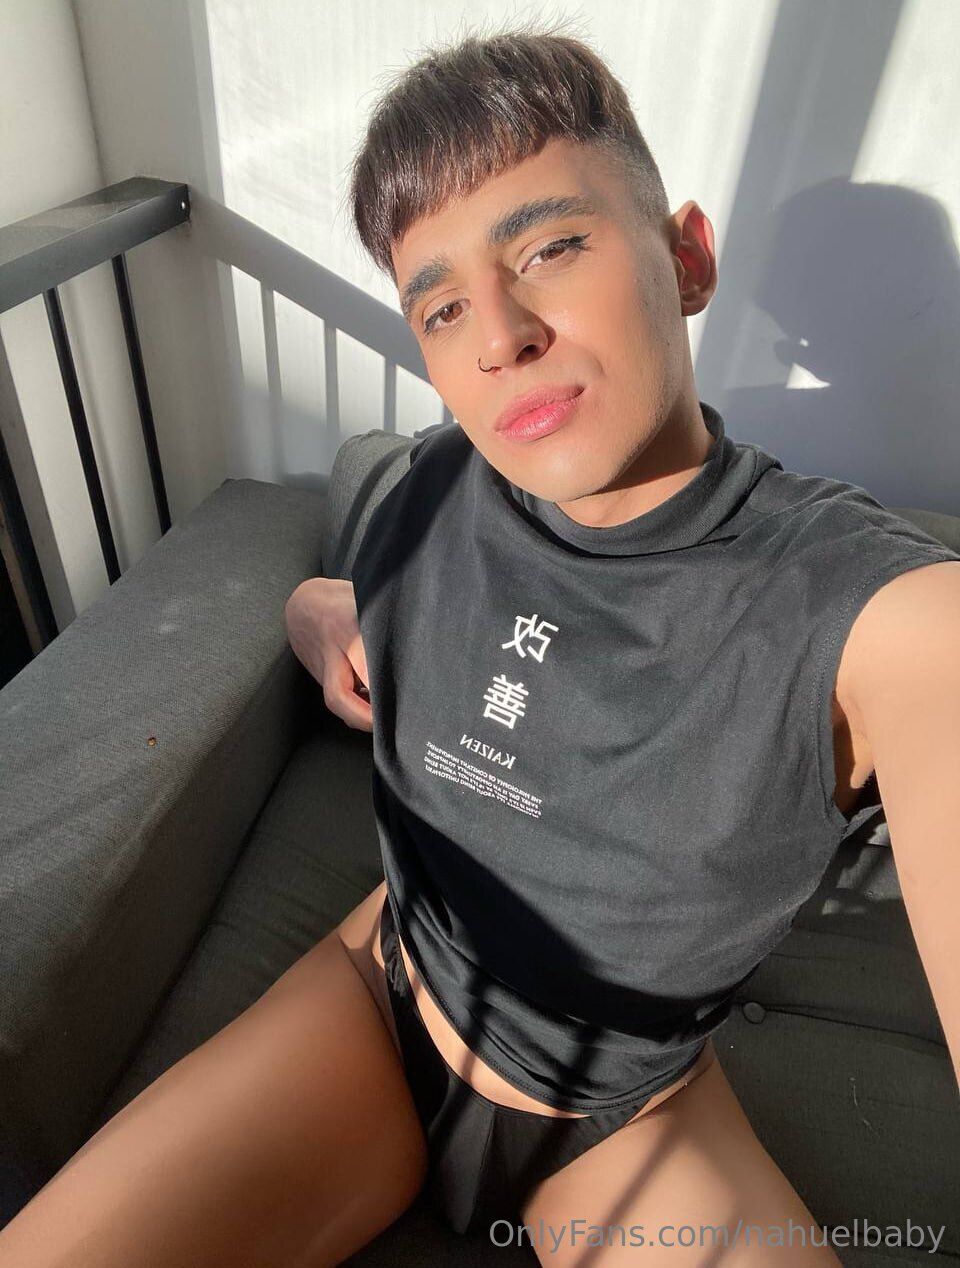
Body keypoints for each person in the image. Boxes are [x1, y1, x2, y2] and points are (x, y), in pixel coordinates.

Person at [2, 19, 958, 1268]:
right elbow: (349, 583)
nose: (499, 335)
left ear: (685, 258)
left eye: (551, 246)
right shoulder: (437, 481)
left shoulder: (878, 609)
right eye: (443, 305)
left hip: (621, 1115)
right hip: (381, 993)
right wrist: (316, 612)